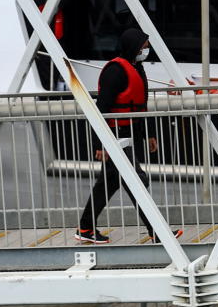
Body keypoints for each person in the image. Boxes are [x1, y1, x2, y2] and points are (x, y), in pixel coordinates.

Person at [75, 28, 183, 244]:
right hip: (114, 135)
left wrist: (149, 134)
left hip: (129, 133)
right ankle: (157, 232)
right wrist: (100, 143)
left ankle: (85, 228)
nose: (147, 50)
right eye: (144, 46)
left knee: (109, 182)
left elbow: (141, 105)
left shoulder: (137, 68)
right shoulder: (115, 71)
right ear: (134, 46)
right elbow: (101, 108)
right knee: (137, 180)